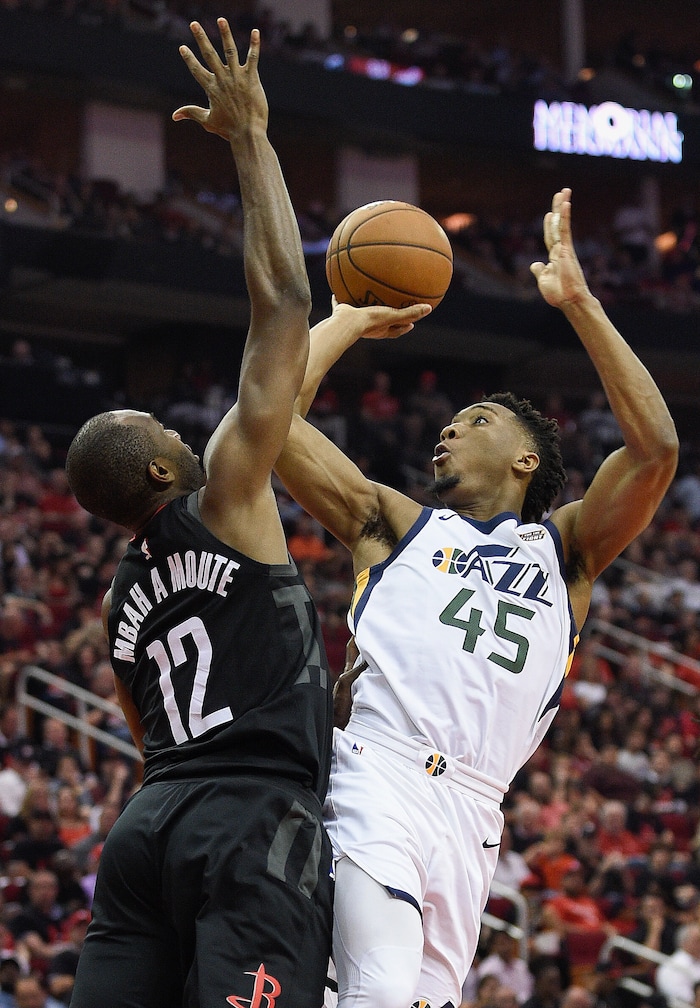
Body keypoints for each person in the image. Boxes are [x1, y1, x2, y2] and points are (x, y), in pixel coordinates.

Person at [274, 188, 678, 1008]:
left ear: (528, 460)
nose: (448, 430)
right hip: (376, 773)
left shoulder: (565, 552)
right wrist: (347, 320)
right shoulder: (393, 523)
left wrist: (581, 304)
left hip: (472, 814)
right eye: (449, 422)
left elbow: (656, 448)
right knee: (379, 990)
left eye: (478, 419)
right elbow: (266, 423)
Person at [64, 18, 335, 1008]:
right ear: (162, 464)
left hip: (147, 830)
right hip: (251, 820)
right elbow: (283, 306)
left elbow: (147, 735)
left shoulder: (117, 599)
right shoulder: (224, 492)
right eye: (154, 420)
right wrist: (251, 139)